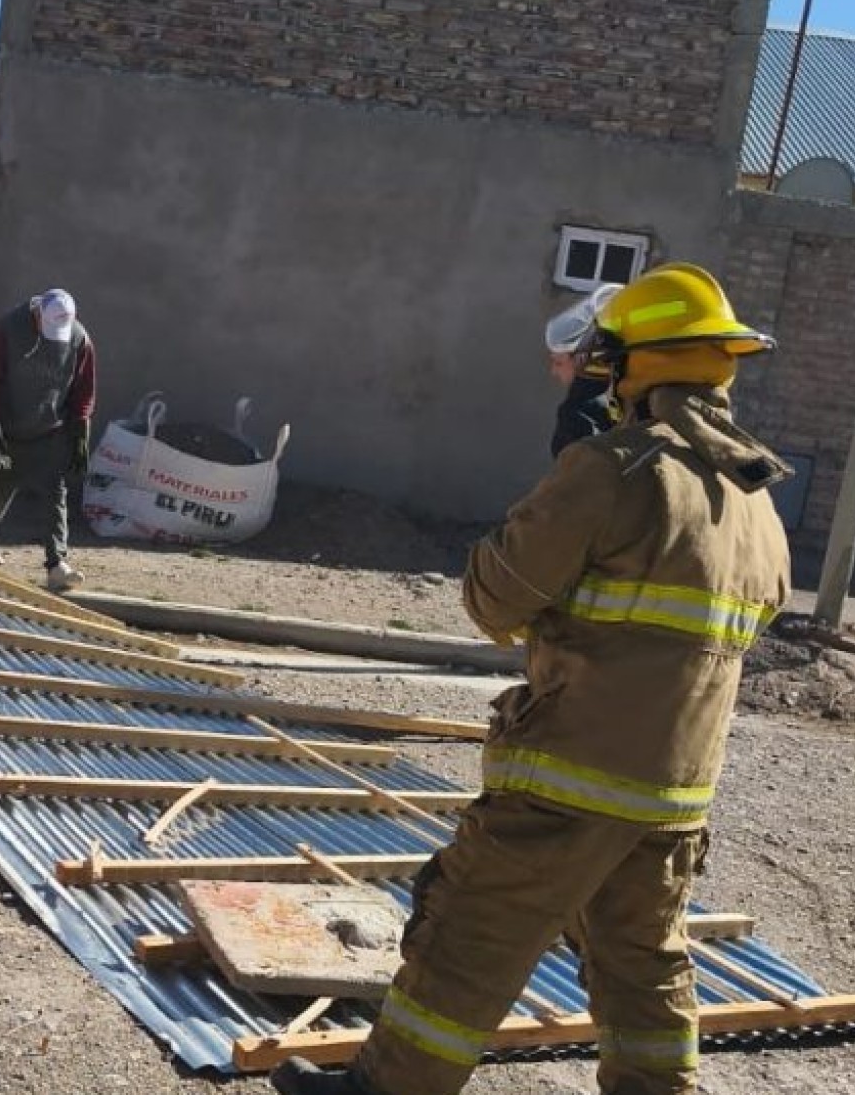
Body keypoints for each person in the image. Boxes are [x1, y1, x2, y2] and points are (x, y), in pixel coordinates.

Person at [273, 263, 794, 1095]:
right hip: (674, 798)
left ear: (627, 364)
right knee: (643, 970)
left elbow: (494, 598)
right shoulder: (756, 499)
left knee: (468, 939)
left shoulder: (612, 470)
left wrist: (573, 467)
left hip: (566, 784)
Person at [0, 288, 97, 592]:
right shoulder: (7, 330)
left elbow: (83, 387)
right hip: (10, 428)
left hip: (52, 429)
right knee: (2, 487)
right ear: (37, 313)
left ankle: (57, 564)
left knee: (55, 494)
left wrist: (80, 429)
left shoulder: (78, 337)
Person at [544, 282, 622, 457]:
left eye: (558, 362)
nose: (553, 372)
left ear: (583, 358)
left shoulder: (579, 414)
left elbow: (572, 480)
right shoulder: (634, 397)